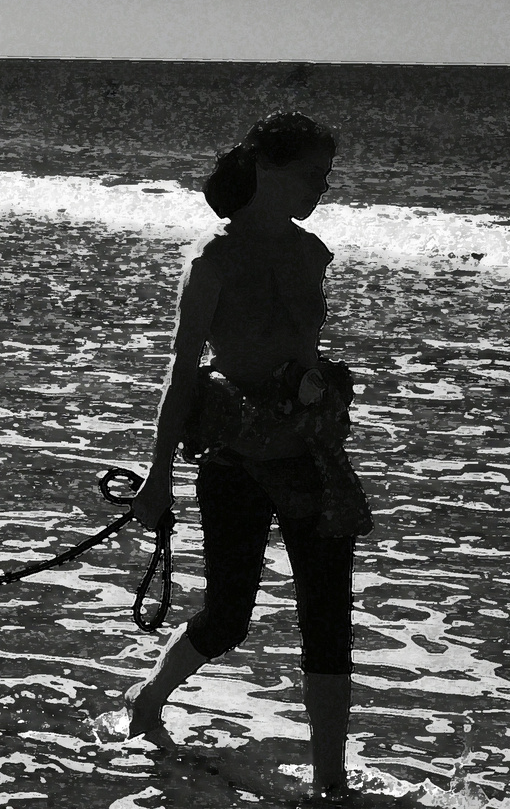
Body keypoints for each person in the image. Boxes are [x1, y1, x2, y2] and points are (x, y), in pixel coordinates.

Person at [126, 112, 372, 801]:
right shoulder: (213, 258)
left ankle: (330, 780)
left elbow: (300, 350)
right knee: (228, 616)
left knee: (329, 617)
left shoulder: (312, 252)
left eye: (326, 179)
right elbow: (181, 372)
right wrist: (156, 475)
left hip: (309, 455)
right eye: (311, 176)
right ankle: (149, 698)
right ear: (266, 170)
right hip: (234, 455)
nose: (320, 190)